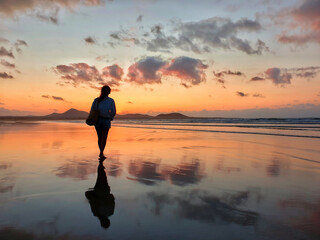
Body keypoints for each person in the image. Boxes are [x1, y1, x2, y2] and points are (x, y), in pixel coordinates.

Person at [85, 160, 115, 229]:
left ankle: (101, 165)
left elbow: (112, 197)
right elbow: (92, 201)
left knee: (102, 177)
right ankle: (101, 164)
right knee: (100, 177)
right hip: (100, 192)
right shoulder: (96, 213)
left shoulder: (111, 212)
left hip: (106, 191)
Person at [91, 85, 116, 160]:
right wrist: (110, 118)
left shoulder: (96, 100)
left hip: (97, 120)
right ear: (109, 92)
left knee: (99, 137)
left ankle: (101, 152)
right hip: (106, 120)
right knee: (104, 138)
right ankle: (101, 153)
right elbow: (113, 111)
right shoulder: (111, 100)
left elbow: (92, 110)